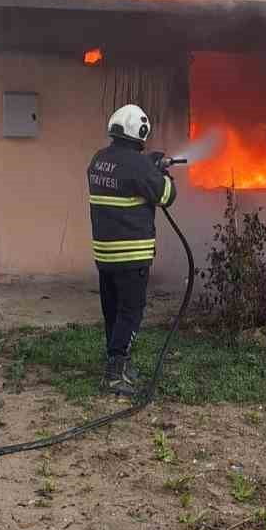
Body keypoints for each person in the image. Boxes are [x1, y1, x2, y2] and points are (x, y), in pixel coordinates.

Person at [87, 103, 176, 395]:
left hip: (105, 254)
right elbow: (166, 195)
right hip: (131, 254)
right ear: (141, 133)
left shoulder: (99, 160)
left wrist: (149, 165)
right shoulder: (138, 166)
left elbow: (125, 177)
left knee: (113, 311)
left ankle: (118, 363)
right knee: (130, 312)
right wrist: (163, 174)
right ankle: (115, 375)